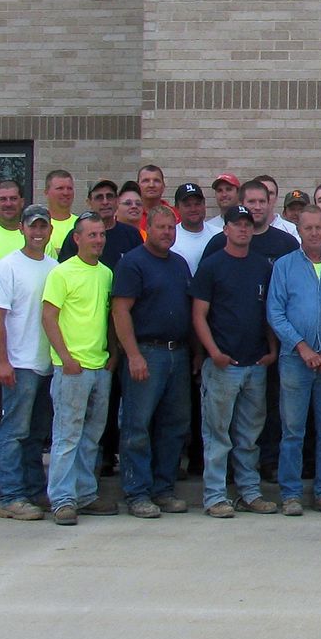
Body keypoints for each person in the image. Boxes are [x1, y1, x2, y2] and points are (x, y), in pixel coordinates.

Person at [190, 205, 278, 517]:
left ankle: (249, 493)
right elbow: (198, 315)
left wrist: (271, 348)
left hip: (255, 365)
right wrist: (212, 352)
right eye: (236, 224)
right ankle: (215, 497)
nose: (243, 229)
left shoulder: (262, 267)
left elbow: (268, 313)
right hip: (223, 366)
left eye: (247, 224)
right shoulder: (212, 266)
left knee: (249, 437)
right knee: (217, 436)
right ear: (225, 229)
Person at [109, 205, 195, 518]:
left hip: (178, 354)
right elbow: (120, 311)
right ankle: (137, 493)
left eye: (171, 228)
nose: (167, 233)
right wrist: (132, 355)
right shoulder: (133, 263)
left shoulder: (179, 264)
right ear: (150, 229)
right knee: (137, 425)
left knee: (174, 426)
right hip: (146, 353)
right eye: (161, 228)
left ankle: (163, 489)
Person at [268, 207, 321, 514]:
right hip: (295, 360)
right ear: (299, 231)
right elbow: (275, 312)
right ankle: (291, 494)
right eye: (309, 228)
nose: (315, 233)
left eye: (319, 227)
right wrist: (302, 347)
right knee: (293, 429)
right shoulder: (284, 266)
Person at [40, 216, 116, 525]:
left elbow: (110, 317)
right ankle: (61, 499)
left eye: (101, 235)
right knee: (67, 436)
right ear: (77, 239)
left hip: (100, 367)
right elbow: (48, 317)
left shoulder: (107, 274)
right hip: (72, 369)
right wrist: (65, 358)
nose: (98, 240)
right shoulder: (61, 273)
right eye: (91, 235)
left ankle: (85, 494)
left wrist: (111, 356)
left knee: (91, 438)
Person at [0, 204, 56, 520]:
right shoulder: (7, 267)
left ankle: (32, 490)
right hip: (19, 363)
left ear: (50, 230)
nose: (38, 232)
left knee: (36, 433)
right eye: (33, 226)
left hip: (46, 364)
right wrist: (2, 361)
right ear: (22, 229)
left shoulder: (55, 267)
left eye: (43, 226)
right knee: (13, 431)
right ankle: (11, 496)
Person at [207, 180, 298, 266]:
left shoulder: (287, 243)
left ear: (268, 203)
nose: (257, 207)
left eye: (262, 201)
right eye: (252, 202)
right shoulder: (220, 242)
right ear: (241, 204)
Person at [167, 183, 221, 273]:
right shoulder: (170, 237)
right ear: (177, 208)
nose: (193, 209)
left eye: (197, 204)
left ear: (204, 204)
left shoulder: (219, 235)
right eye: (187, 205)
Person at [42, 170, 79, 254]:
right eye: (60, 188)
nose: (66, 193)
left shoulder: (80, 225)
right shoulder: (37, 225)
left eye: (69, 188)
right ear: (46, 192)